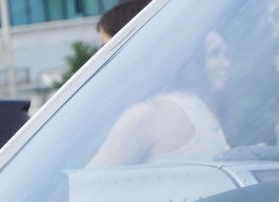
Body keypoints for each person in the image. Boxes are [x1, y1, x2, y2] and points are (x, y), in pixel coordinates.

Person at [90, 28, 231, 166]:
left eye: (224, 54)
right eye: (214, 54)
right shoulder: (151, 114)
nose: (226, 64)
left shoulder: (203, 111)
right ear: (191, 57)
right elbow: (91, 183)